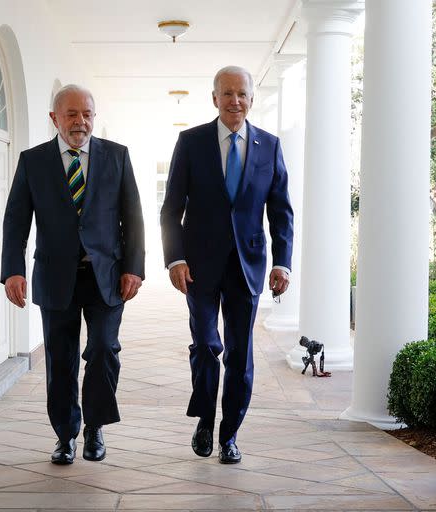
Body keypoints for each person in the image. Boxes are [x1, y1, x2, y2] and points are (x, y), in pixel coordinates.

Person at [0, 84, 145, 465]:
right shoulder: (33, 162)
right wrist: (12, 270)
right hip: (55, 277)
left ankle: (95, 426)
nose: (81, 122)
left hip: (106, 277)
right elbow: (16, 221)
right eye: (72, 115)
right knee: (60, 361)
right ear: (54, 118)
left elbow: (133, 217)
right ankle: (66, 436)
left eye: (87, 115)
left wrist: (134, 267)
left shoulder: (117, 156)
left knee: (102, 350)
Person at [160, 66, 293, 464]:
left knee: (240, 355)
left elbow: (281, 212)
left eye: (242, 94)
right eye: (227, 93)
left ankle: (229, 433)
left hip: (247, 266)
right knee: (205, 345)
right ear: (214, 98)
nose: (235, 100)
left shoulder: (269, 145)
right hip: (198, 266)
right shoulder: (191, 142)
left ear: (251, 99)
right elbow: (171, 209)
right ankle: (204, 417)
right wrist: (175, 258)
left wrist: (283, 263)